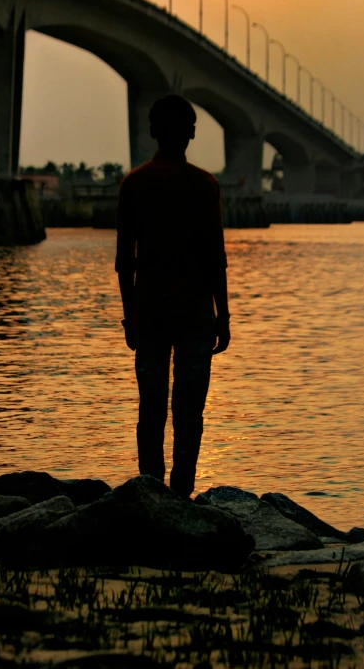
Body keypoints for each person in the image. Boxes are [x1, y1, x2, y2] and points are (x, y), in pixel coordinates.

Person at [115, 94, 231, 499]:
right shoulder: (204, 185)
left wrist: (130, 316)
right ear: (191, 134)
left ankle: (150, 492)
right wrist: (225, 317)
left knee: (151, 410)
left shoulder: (134, 183)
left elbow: (123, 262)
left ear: (151, 131)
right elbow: (216, 260)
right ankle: (182, 491)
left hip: (148, 314)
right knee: (189, 411)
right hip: (196, 315)